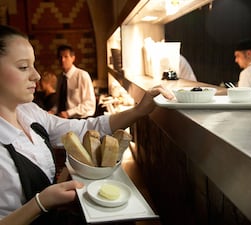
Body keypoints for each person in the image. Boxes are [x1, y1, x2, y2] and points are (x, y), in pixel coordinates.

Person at [0, 25, 173, 225]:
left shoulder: (28, 111)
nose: (37, 76)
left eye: (33, 65)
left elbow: (84, 129)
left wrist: (138, 111)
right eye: (23, 67)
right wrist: (41, 202)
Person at [53, 44, 96, 119]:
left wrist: (68, 113)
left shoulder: (82, 75)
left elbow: (90, 104)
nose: (62, 60)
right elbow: (59, 103)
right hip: (63, 119)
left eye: (66, 57)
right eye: (60, 57)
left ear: (73, 58)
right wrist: (53, 110)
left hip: (80, 119)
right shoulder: (60, 78)